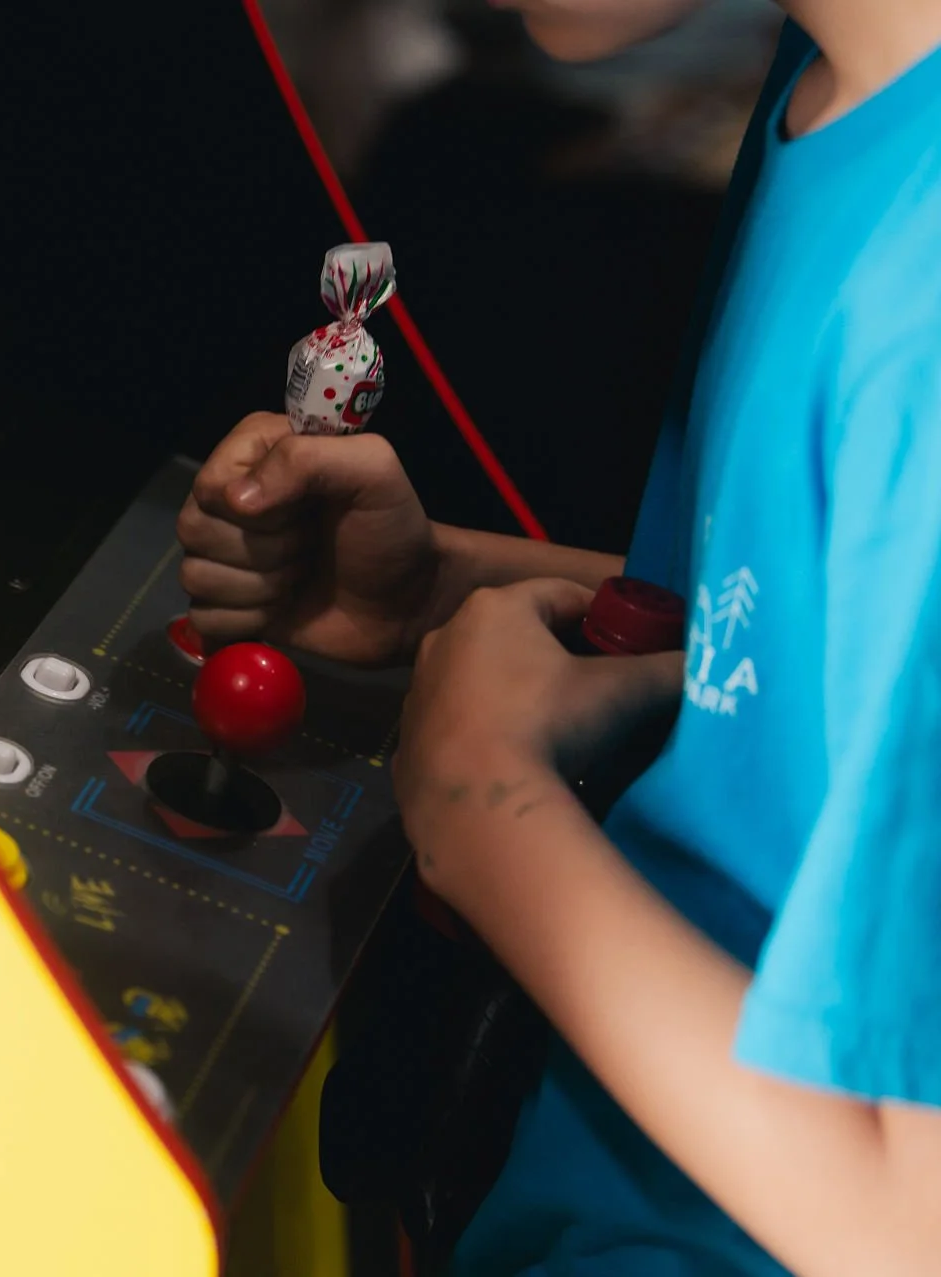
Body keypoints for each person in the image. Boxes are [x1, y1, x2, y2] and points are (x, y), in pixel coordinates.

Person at [177, 2, 941, 1273]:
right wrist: (442, 590)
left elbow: (906, 1226)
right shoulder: (830, 85)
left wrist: (484, 808)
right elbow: (797, 667)